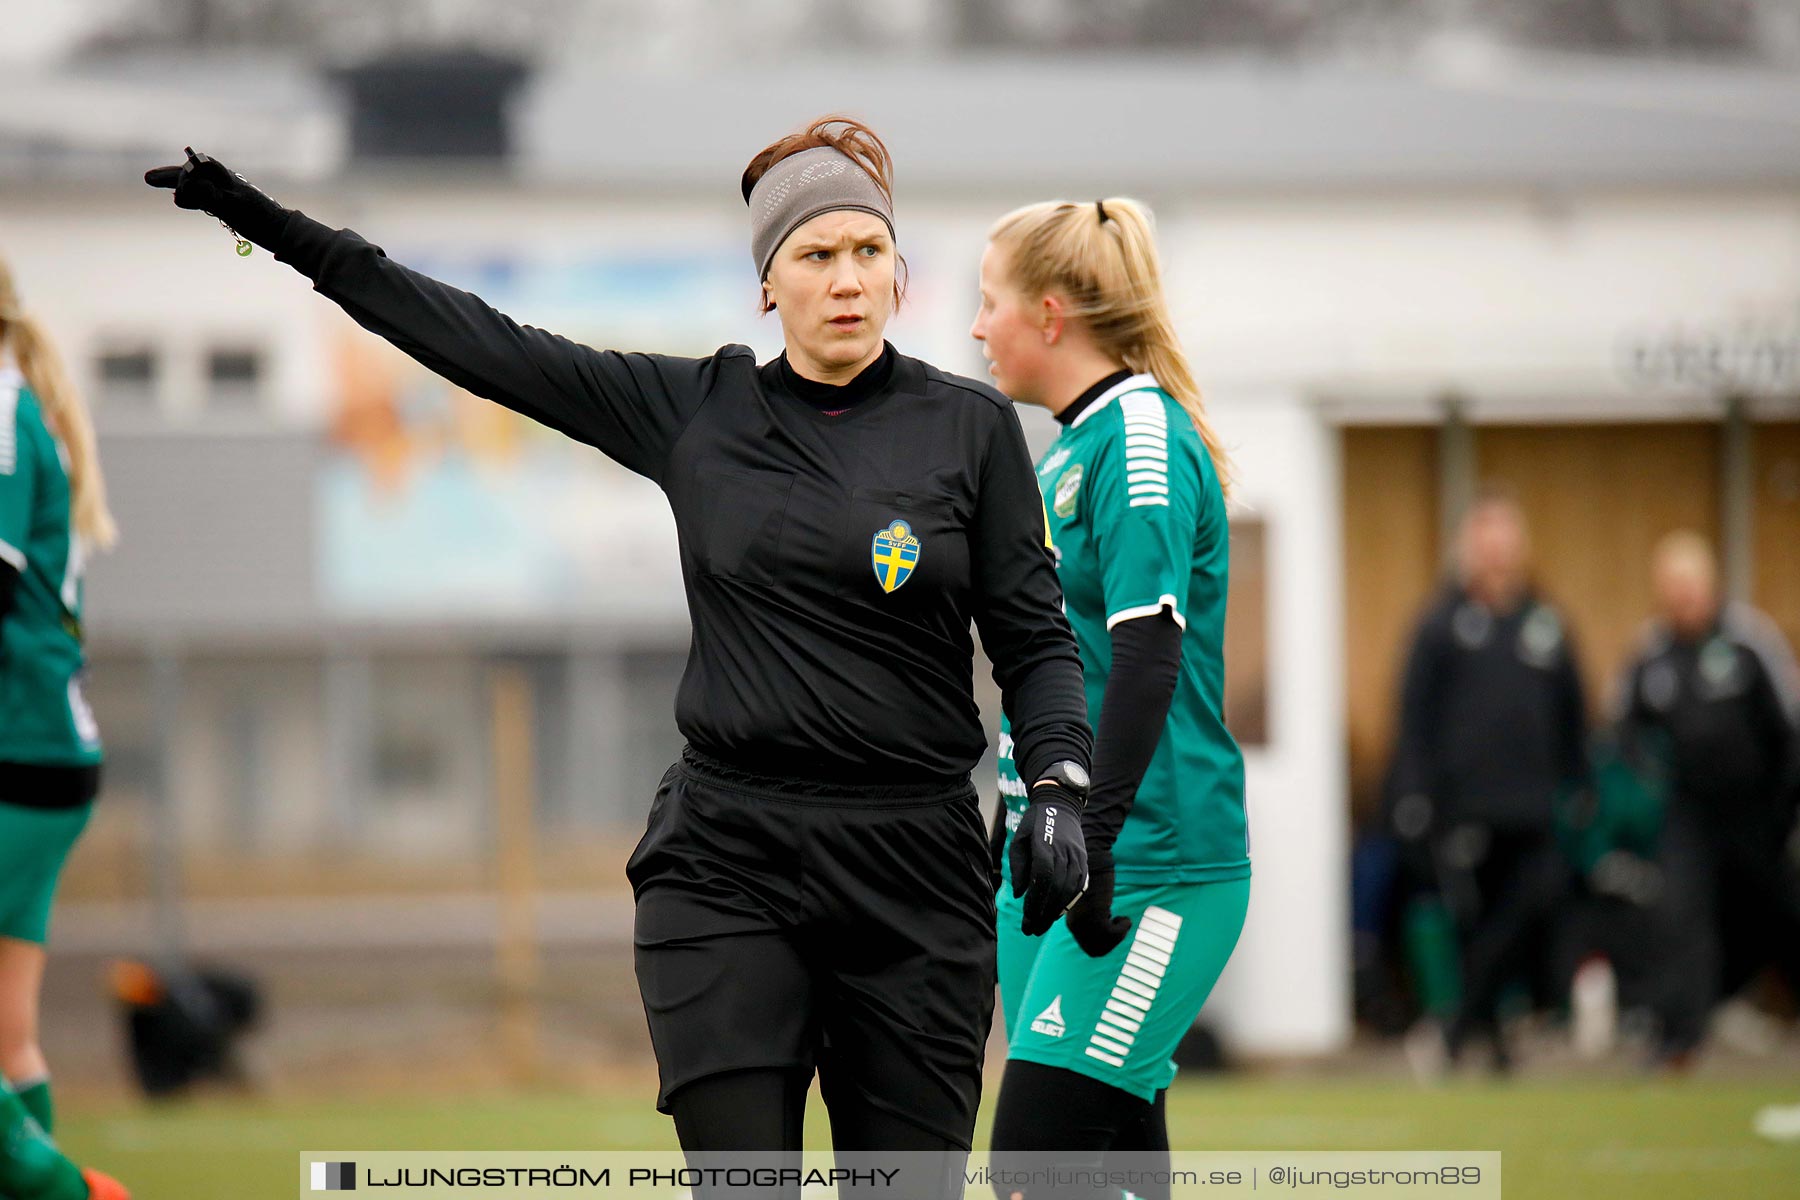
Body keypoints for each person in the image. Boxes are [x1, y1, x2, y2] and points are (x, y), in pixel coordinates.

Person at [146, 120, 1093, 1184]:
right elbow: (478, 340)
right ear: (767, 284)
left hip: (915, 867)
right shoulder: (695, 410)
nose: (846, 280)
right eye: (816, 256)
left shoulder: (969, 430)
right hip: (731, 862)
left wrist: (1059, 781)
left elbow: (1036, 642)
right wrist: (267, 227)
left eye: (868, 253)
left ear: (899, 274)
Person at [969, 198, 1250, 1197]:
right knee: (1113, 1161)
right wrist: (1021, 812)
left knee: (1033, 1168)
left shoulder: (1137, 440)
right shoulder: (1065, 453)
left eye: (988, 300)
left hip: (1150, 871)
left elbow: (1149, 654)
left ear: (1050, 314)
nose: (974, 325)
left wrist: (1094, 834)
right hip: (1057, 860)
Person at [0, 257, 129, 1199]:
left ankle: (65, 1194)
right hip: (47, 746)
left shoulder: (1, 401)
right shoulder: (28, 401)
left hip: (19, 739)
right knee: (11, 1030)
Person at [1387, 489, 1587, 1074]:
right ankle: (1494, 1041)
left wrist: (1581, 783)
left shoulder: (1546, 624)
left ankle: (1455, 1029)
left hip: (1536, 805)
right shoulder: (1441, 624)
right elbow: (1413, 715)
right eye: (1485, 542)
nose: (1495, 555)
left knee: (1526, 912)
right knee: (1476, 925)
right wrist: (1413, 792)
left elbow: (1574, 710)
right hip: (1465, 806)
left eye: (1505, 542)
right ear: (1467, 549)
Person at [1616, 531, 1800, 1060]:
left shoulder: (1749, 641)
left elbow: (1785, 729)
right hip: (1686, 812)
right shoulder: (1650, 653)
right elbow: (1622, 733)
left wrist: (1783, 807)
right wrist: (1650, 786)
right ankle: (1679, 1040)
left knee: (1781, 912)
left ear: (1711, 584)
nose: (1682, 597)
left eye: (1690, 585)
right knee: (1679, 916)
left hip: (1755, 810)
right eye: (1672, 587)